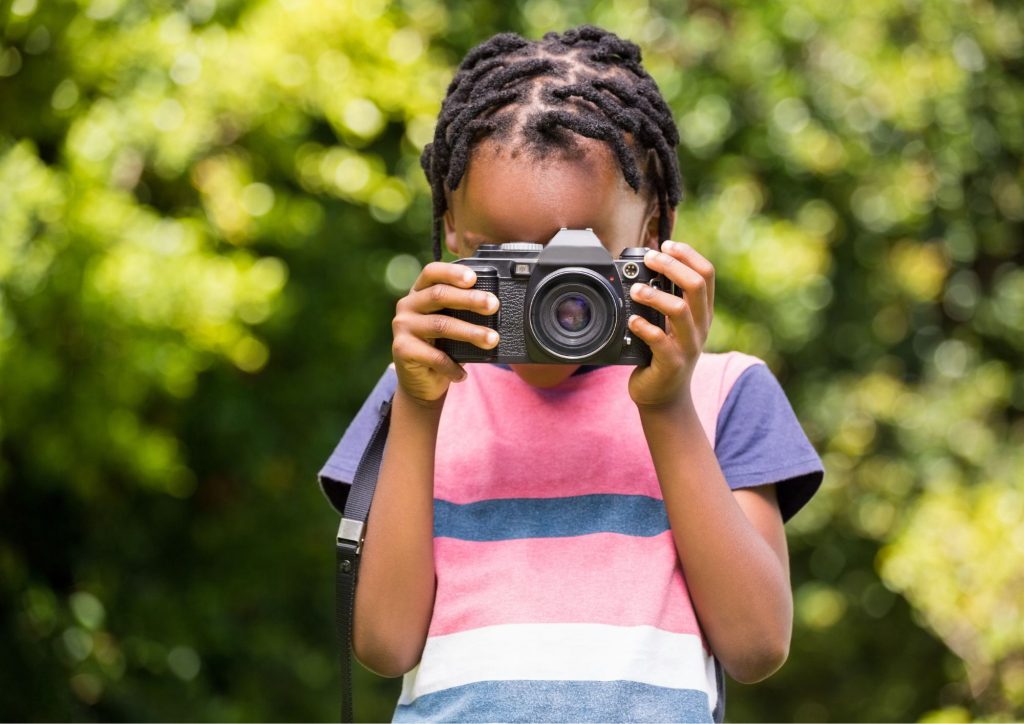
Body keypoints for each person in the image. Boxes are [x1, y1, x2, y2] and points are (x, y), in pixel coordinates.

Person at [319, 26, 824, 723]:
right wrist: (415, 405)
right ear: (452, 234)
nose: (548, 295)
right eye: (503, 254)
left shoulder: (723, 392)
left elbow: (757, 644)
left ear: (653, 232)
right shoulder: (420, 392)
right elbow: (384, 642)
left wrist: (669, 406)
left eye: (575, 260)